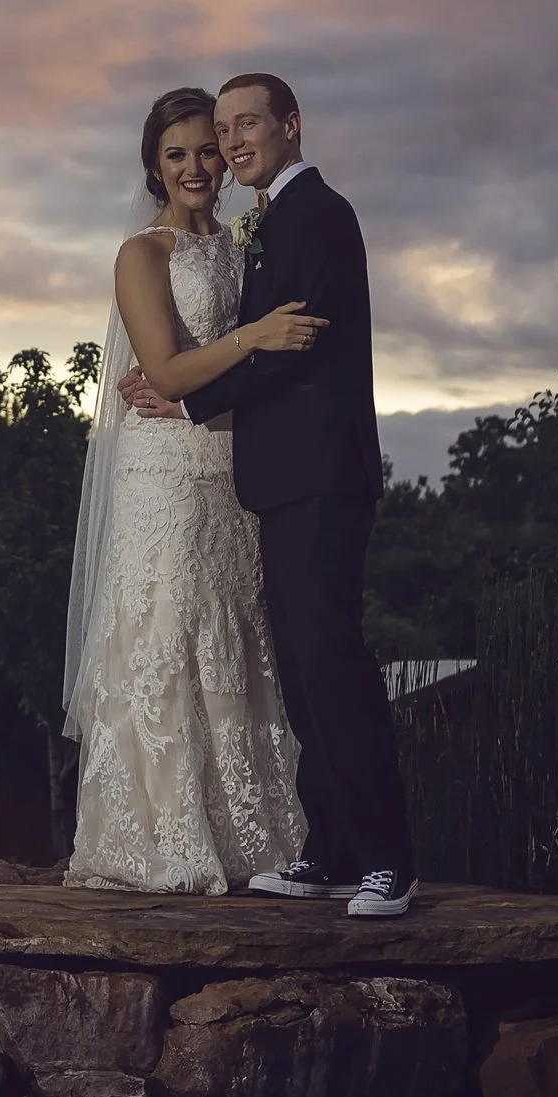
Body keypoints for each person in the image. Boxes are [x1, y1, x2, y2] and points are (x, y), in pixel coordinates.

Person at [121, 73, 417, 916]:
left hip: (323, 475)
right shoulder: (270, 223)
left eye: (245, 124)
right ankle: (328, 851)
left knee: (333, 662)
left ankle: (388, 858)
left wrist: (183, 397)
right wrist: (187, 389)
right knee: (299, 668)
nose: (233, 141)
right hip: (280, 481)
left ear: (290, 124)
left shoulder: (321, 214)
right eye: (224, 128)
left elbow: (293, 350)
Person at [62, 86, 327, 892]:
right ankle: (163, 838)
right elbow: (170, 369)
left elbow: (204, 377)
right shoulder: (142, 254)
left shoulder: (245, 245)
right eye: (176, 154)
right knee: (168, 636)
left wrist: (220, 371)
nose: (196, 166)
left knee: (239, 638)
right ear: (154, 167)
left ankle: (258, 837)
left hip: (230, 468)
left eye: (206, 149)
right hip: (164, 478)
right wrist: (250, 336)